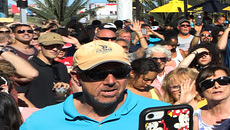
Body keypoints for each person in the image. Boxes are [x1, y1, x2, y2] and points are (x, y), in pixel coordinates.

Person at [20, 40, 167, 130]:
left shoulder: (162, 114)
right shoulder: (41, 123)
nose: (111, 81)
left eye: (120, 72)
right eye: (97, 74)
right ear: (77, 77)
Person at [19, 32, 70, 108]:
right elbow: (19, 96)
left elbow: (64, 95)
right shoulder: (28, 66)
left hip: (58, 112)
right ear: (40, 46)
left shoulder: (61, 67)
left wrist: (67, 89)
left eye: (58, 46)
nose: (55, 49)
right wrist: (37, 113)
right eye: (50, 46)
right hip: (35, 115)